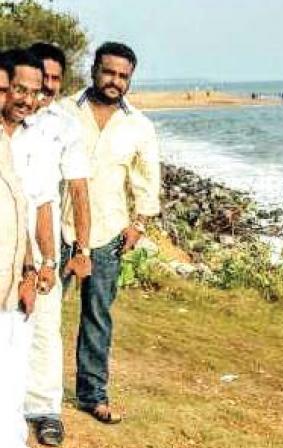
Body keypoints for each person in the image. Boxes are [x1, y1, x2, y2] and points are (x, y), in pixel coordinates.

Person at [60, 42, 160, 424]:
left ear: (130, 79)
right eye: (109, 72)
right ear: (94, 70)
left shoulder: (139, 125)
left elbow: (147, 180)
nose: (115, 81)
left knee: (97, 317)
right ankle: (29, 390)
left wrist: (140, 224)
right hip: (59, 229)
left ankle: (92, 395)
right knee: (41, 313)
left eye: (123, 76)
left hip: (108, 234)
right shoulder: (65, 111)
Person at [22, 42, 92, 447]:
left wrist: (81, 250)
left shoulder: (64, 126)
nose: (46, 87)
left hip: (45, 236)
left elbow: (79, 190)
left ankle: (46, 410)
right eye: (40, 78)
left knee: (45, 327)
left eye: (54, 79)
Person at [0, 50, 46, 448]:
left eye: (34, 91)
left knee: (13, 379)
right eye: (17, 89)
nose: (25, 99)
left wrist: (32, 271)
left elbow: (28, 210)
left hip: (14, 279)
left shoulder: (31, 139)